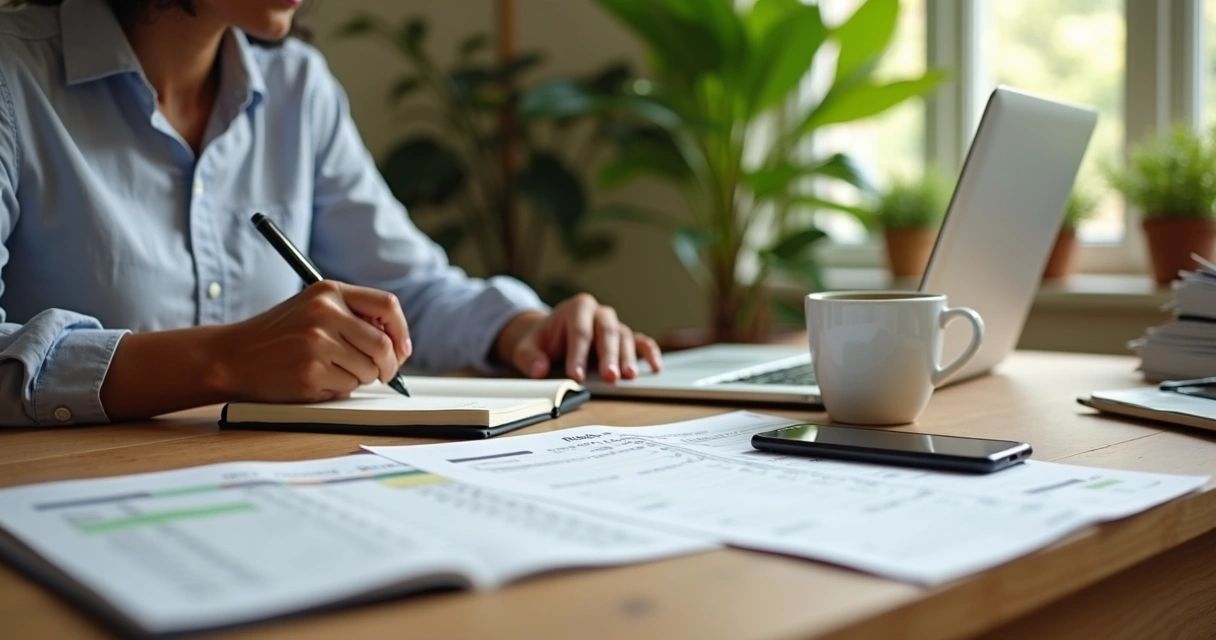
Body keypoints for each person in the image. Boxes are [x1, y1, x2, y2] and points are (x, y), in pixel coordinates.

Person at [0, 0, 662, 428]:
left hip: (269, 486)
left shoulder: (297, 88)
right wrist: (221, 360)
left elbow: (407, 293)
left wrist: (523, 328)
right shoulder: (13, 76)